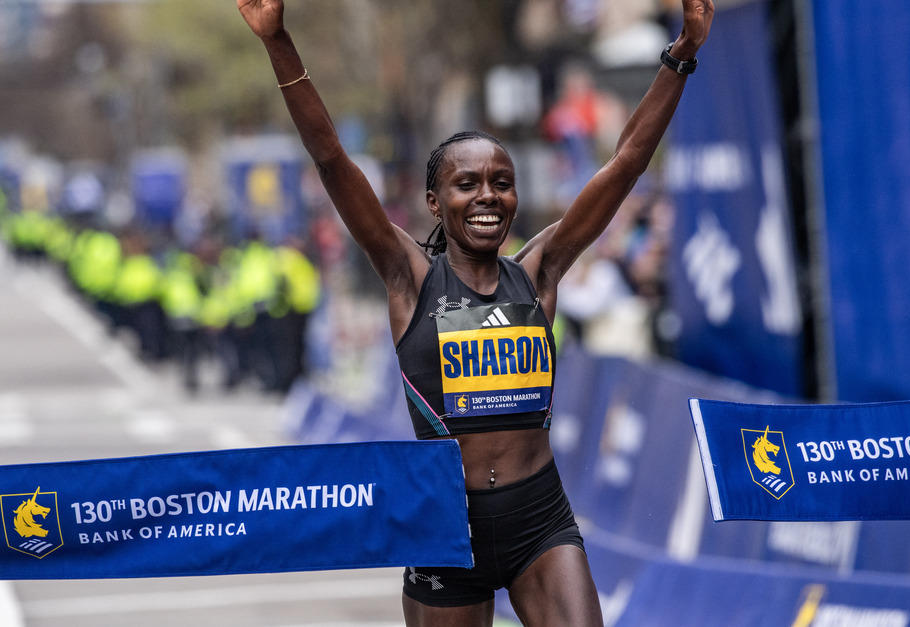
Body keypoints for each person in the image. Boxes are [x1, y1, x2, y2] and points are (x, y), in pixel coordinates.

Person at [237, 1, 713, 625]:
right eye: (468, 183)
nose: (488, 195)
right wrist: (278, 41)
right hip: (442, 525)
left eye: (502, 182)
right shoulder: (407, 278)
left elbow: (625, 163)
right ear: (435, 202)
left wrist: (682, 54)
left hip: (538, 520)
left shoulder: (539, 272)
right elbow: (332, 160)